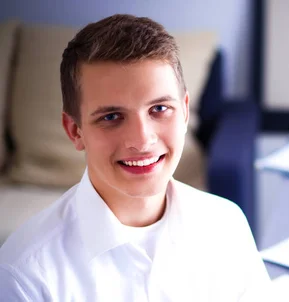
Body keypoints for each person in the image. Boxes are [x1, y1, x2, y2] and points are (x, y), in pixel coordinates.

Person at [0, 14, 270, 301]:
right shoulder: (25, 273)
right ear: (75, 131)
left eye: (159, 109)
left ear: (185, 112)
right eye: (112, 116)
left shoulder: (226, 224)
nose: (142, 140)